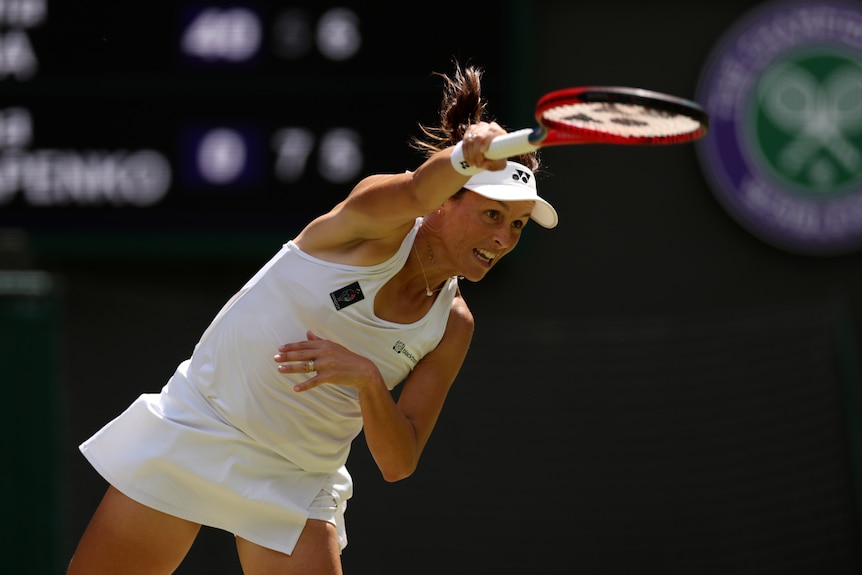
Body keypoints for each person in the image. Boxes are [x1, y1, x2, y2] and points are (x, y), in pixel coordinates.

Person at [67, 62, 558, 575]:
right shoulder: (374, 228)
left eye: (518, 225)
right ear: (444, 204)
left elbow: (399, 461)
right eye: (492, 215)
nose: (503, 239)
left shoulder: (453, 325)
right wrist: (461, 157)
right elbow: (414, 190)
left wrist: (367, 379)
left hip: (297, 479)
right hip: (201, 424)